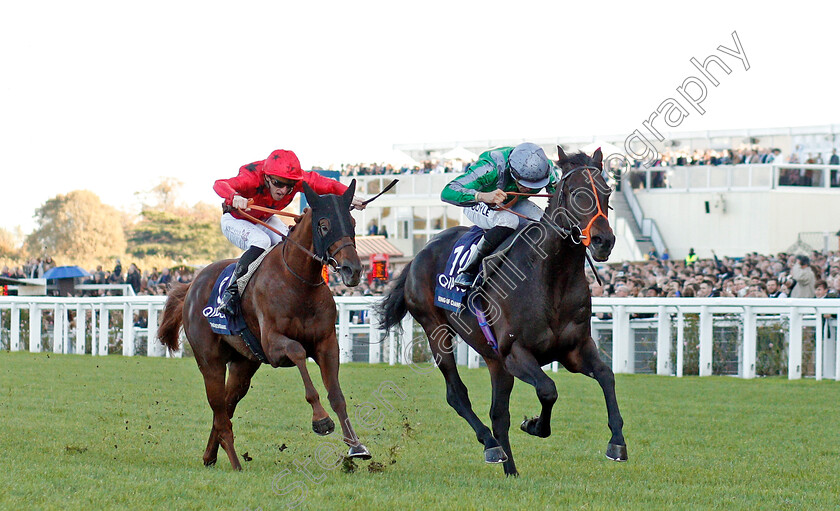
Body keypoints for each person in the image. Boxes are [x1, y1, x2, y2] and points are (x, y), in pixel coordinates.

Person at [213, 149, 365, 315]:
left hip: (265, 219)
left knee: (289, 241)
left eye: (290, 186)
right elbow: (219, 183)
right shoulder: (251, 178)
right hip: (236, 220)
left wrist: (350, 196)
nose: (283, 191)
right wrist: (233, 195)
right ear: (266, 177)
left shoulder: (295, 180)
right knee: (262, 241)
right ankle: (231, 293)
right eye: (278, 184)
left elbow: (326, 184)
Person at [440, 143, 560, 288]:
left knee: (543, 222)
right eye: (524, 183)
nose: (529, 188)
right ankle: (469, 270)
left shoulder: (546, 169)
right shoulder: (490, 168)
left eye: (535, 185)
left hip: (512, 201)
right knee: (509, 221)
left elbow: (558, 195)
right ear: (512, 172)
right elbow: (447, 192)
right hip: (479, 202)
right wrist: (483, 196)